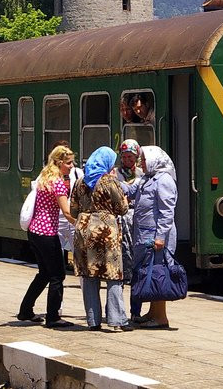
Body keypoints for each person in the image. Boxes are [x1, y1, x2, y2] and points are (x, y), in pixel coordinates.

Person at [71, 146, 130, 331]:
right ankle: (116, 321)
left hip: (84, 230)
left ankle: (93, 321)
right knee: (113, 275)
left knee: (89, 275)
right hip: (106, 231)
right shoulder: (109, 181)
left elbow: (73, 209)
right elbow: (123, 208)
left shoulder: (80, 182)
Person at [17, 145, 77, 328]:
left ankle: (25, 310)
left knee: (44, 274)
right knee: (57, 275)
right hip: (47, 233)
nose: (72, 166)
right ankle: (53, 317)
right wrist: (80, 223)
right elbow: (66, 212)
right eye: (69, 163)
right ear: (59, 163)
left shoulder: (44, 177)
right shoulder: (58, 182)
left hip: (34, 231)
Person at [121, 145, 177, 329]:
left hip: (156, 238)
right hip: (145, 236)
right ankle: (152, 313)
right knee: (150, 274)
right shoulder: (146, 178)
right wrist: (108, 179)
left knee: (158, 274)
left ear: (154, 161)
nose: (140, 163)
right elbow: (129, 191)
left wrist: (160, 236)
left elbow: (167, 211)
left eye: (143, 160)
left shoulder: (164, 180)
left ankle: (161, 317)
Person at [115, 139, 144, 319]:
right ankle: (118, 312)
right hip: (120, 223)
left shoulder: (142, 174)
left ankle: (136, 311)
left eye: (131, 157)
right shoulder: (114, 174)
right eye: (125, 156)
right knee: (120, 268)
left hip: (137, 222)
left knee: (137, 267)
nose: (128, 160)